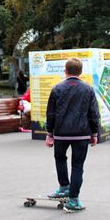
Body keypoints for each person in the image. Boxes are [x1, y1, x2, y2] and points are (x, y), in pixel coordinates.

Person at [45, 58, 99, 211]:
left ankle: (64, 187)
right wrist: (94, 133)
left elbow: (51, 113)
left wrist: (50, 133)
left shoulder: (57, 89)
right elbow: (93, 113)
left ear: (65, 70)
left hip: (61, 133)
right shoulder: (88, 89)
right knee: (77, 166)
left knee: (60, 159)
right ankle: (73, 200)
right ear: (81, 72)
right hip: (81, 134)